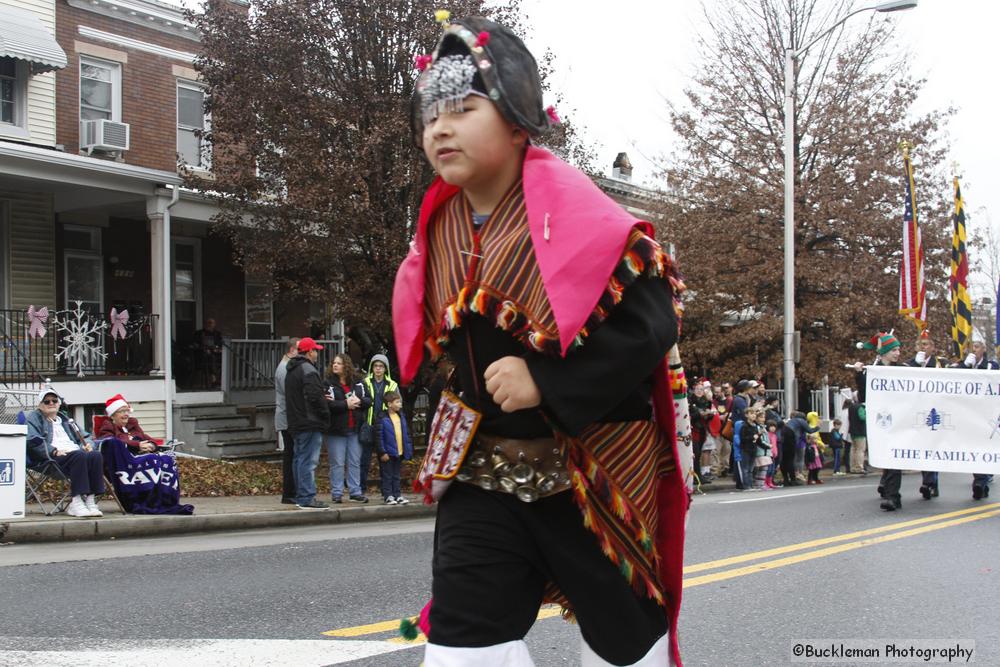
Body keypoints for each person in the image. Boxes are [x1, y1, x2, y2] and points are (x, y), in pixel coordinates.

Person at [391, 14, 689, 665]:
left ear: (516, 117)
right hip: (482, 474)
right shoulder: (439, 227)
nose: (440, 127)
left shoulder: (576, 211)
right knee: (464, 640)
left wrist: (545, 380)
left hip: (591, 472)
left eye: (464, 108)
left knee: (626, 645)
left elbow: (652, 321)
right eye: (430, 114)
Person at [24, 389, 105, 517]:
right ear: (40, 405)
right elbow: (32, 439)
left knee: (95, 455)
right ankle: (76, 502)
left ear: (59, 403)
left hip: (75, 454)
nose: (51, 403)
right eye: (47, 401)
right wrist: (53, 451)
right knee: (79, 455)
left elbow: (86, 436)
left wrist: (89, 445)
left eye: (54, 400)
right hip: (51, 458)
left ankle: (90, 501)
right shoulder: (34, 418)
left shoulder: (66, 419)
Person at [853, 331, 904, 511]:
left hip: (899, 420)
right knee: (886, 457)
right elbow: (863, 395)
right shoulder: (873, 371)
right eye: (894, 350)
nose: (897, 353)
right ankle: (890, 492)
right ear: (884, 352)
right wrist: (860, 375)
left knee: (894, 459)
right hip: (881, 421)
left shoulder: (903, 369)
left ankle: (892, 496)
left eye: (898, 350)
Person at [284, 337, 330, 510]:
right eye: (315, 350)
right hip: (309, 422)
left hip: (296, 421)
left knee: (299, 459)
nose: (317, 353)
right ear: (309, 352)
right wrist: (325, 414)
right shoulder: (308, 369)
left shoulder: (292, 369)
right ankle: (306, 497)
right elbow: (314, 397)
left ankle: (300, 495)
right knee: (308, 461)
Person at [324, 354, 371, 504]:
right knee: (337, 462)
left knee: (354, 461)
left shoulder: (358, 382)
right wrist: (345, 404)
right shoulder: (328, 383)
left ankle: (355, 491)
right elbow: (327, 404)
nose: (335, 365)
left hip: (354, 428)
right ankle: (337, 492)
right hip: (336, 429)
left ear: (346, 366)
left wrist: (360, 401)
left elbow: (369, 400)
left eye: (339, 363)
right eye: (334, 363)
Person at [907, 330, 943, 499]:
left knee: (931, 447)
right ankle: (931, 482)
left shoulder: (940, 364)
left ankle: (929, 482)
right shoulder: (909, 364)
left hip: (934, 412)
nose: (923, 347)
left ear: (933, 348)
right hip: (916, 412)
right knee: (921, 448)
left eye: (926, 344)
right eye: (921, 344)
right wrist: (915, 364)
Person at [361, 353, 398, 499]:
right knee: (364, 460)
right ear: (372, 367)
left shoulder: (392, 385)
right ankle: (361, 490)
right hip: (369, 425)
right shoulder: (365, 382)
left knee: (385, 461)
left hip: (384, 427)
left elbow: (397, 404)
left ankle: (386, 492)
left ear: (385, 369)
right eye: (375, 366)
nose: (378, 369)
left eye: (381, 366)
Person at [274, 337, 300, 505]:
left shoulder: (286, 367)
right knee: (290, 455)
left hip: (288, 417)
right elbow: (290, 394)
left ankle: (292, 491)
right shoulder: (284, 369)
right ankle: (289, 492)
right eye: (299, 350)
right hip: (287, 418)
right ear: (292, 350)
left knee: (292, 454)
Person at [377, 391, 413, 505]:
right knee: (387, 475)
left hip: (399, 451)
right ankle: (388, 495)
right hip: (388, 452)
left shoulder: (401, 416)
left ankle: (397, 495)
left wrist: (408, 449)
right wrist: (382, 452)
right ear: (389, 404)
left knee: (396, 475)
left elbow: (406, 434)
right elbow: (379, 436)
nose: (400, 404)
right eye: (397, 402)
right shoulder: (382, 417)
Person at [192, 318, 224, 387]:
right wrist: (204, 349)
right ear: (205, 324)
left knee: (224, 360)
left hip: (216, 354)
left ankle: (218, 380)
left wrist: (218, 349)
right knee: (211, 358)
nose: (210, 325)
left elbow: (220, 344)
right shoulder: (199, 333)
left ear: (214, 324)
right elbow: (195, 344)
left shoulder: (217, 334)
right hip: (203, 355)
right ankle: (214, 379)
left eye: (211, 323)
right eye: (208, 323)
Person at [844, 394, 867, 474]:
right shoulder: (861, 407)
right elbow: (862, 417)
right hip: (860, 432)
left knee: (853, 449)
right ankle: (859, 467)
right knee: (860, 450)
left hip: (852, 431)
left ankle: (852, 467)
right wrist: (867, 414)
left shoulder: (851, 407)